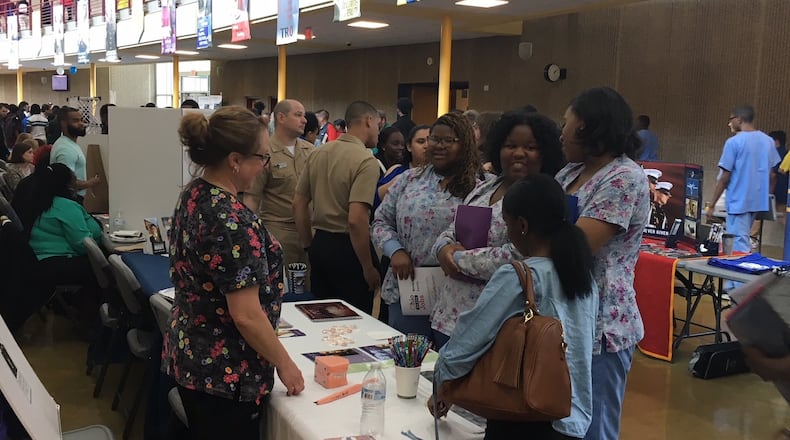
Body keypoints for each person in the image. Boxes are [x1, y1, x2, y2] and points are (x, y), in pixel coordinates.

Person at [162, 106, 305, 440]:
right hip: (226, 374)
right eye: (261, 158)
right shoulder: (231, 220)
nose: (263, 167)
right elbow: (245, 315)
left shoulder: (195, 193)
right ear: (235, 160)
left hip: (195, 359)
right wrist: (284, 362)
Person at [429, 174, 597, 440]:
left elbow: (471, 337)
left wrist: (442, 381)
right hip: (570, 415)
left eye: (506, 223)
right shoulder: (582, 276)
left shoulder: (518, 276)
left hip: (523, 415)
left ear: (522, 225)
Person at [555, 87, 651, 440]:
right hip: (562, 320)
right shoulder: (569, 173)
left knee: (594, 428)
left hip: (601, 327)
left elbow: (577, 246)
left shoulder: (623, 178)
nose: (561, 133)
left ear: (590, 128)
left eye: (567, 124)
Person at [431, 110, 565, 348]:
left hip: (495, 322)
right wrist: (442, 248)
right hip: (451, 313)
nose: (518, 153)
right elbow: (452, 229)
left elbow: (517, 257)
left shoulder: (543, 196)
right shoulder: (485, 187)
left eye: (530, 147)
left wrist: (456, 258)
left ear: (545, 152)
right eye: (510, 145)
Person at [371, 113, 479, 340]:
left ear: (465, 143)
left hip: (457, 297)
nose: (438, 146)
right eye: (434, 139)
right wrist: (395, 251)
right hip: (409, 289)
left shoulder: (479, 188)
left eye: (448, 140)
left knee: (447, 366)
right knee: (407, 362)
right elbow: (380, 221)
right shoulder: (409, 180)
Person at [293, 101, 382, 314]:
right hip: (350, 250)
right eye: (378, 125)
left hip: (320, 244)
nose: (379, 132)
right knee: (354, 323)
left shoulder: (318, 152)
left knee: (321, 318)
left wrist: (308, 245)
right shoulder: (365, 161)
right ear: (369, 121)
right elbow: (356, 219)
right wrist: (368, 267)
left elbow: (298, 203)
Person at [243, 99, 314, 291]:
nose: (304, 120)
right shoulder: (265, 152)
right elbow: (252, 197)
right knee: (281, 290)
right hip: (279, 232)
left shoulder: (311, 152)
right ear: (281, 118)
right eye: (298, 115)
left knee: (309, 291)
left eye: (304, 115)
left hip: (309, 233)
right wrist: (249, 236)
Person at [25, 163, 103, 324]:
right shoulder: (66, 206)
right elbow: (82, 244)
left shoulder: (41, 202)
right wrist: (94, 229)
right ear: (67, 185)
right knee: (103, 269)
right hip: (55, 263)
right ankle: (91, 319)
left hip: (40, 261)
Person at [705, 105, 781, 256]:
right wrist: (766, 197)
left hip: (738, 201)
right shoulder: (768, 141)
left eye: (730, 119)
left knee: (738, 245)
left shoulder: (734, 142)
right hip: (757, 202)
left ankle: (738, 279)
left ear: (739, 119)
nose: (729, 124)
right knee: (745, 238)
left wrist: (712, 204)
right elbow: (773, 175)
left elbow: (724, 177)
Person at [374, 124, 430, 210]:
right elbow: (374, 202)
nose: (426, 146)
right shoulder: (397, 171)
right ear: (409, 146)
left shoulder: (444, 176)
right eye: (421, 141)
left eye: (431, 141)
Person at [51, 106, 101, 203]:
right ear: (63, 123)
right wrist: (89, 183)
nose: (81, 124)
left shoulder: (70, 144)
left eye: (81, 120)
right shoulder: (65, 149)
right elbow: (66, 182)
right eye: (75, 121)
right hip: (69, 200)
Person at [769, 130, 788, 206]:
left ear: (776, 141)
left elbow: (772, 175)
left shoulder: (775, 154)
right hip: (786, 194)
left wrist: (769, 194)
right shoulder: (787, 154)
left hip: (776, 193)